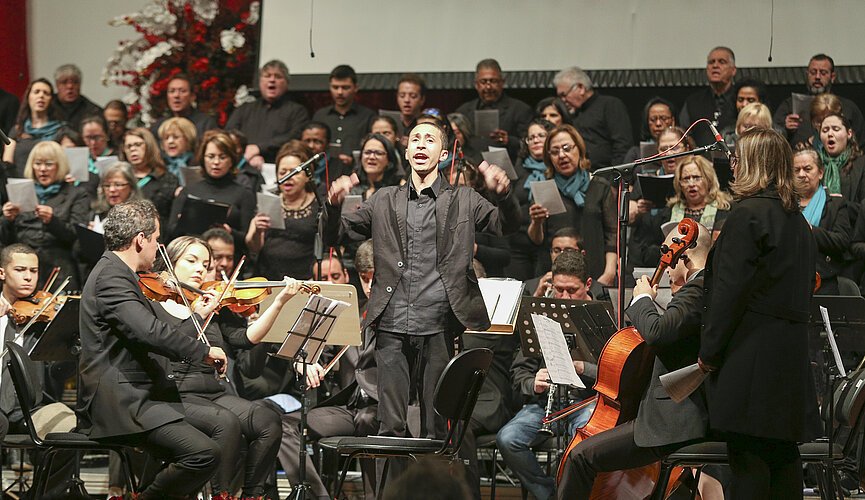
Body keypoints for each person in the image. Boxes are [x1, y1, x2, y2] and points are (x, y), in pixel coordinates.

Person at [321, 120, 519, 488]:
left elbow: (505, 225)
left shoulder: (463, 198)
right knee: (389, 427)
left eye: (430, 139)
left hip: (439, 323)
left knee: (436, 428)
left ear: (443, 154)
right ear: (407, 151)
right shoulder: (384, 198)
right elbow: (337, 234)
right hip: (392, 323)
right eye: (415, 139)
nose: (421, 144)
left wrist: (504, 193)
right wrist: (333, 206)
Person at [699, 127, 821, 498]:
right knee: (783, 462)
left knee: (750, 465)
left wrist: (709, 352)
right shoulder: (798, 221)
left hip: (750, 359)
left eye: (737, 159)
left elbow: (728, 295)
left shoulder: (747, 215)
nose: (732, 166)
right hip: (789, 358)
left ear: (753, 163)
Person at [76, 199, 227, 499]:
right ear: (140, 239)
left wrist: (196, 322)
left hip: (139, 395)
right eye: (157, 239)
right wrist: (204, 352)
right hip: (120, 402)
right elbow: (148, 331)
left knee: (211, 440)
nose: (159, 248)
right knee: (203, 453)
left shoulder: (119, 273)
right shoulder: (111, 276)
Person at [557, 223, 715, 499]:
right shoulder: (709, 287)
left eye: (668, 255)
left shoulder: (698, 287)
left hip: (671, 423)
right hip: (675, 416)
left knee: (580, 457)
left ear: (685, 254)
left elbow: (656, 333)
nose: (666, 267)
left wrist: (642, 299)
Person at [152, 235, 293, 498]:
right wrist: (199, 313)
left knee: (268, 420)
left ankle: (252, 494)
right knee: (226, 423)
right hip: (175, 394)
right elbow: (169, 344)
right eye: (191, 261)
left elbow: (246, 339)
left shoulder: (209, 302)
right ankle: (221, 494)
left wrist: (278, 304)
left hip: (213, 393)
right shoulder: (155, 305)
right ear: (170, 262)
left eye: (205, 265)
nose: (200, 269)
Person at [278, 241, 378, 500]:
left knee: (369, 421)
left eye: (375, 278)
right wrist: (305, 362)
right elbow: (313, 351)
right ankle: (317, 497)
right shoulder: (349, 316)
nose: (370, 286)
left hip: (386, 409)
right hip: (350, 409)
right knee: (284, 425)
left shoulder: (403, 319)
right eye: (365, 279)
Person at [497, 250, 597, 500]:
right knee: (508, 439)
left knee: (588, 442)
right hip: (546, 406)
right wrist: (534, 383)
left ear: (588, 284)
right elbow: (519, 372)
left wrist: (582, 368)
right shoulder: (539, 314)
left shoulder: (602, 317)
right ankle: (551, 495)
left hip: (586, 403)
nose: (564, 297)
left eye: (572, 290)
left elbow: (617, 372)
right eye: (559, 289)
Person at [527, 124, 617, 285]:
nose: (561, 155)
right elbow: (536, 240)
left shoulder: (600, 186)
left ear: (579, 149)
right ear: (549, 157)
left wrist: (609, 273)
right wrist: (536, 222)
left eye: (567, 148)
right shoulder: (545, 188)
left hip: (595, 273)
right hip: (555, 276)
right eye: (555, 152)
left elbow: (612, 235)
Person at [0, 141, 90, 290]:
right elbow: (5, 239)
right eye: (38, 164)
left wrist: (52, 221)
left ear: (60, 165)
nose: (42, 169)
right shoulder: (20, 191)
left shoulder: (76, 194)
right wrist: (7, 219)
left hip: (58, 267)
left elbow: (77, 235)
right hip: (22, 267)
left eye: (48, 164)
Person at [630, 155, 731, 268]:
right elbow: (645, 252)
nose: (691, 184)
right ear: (679, 184)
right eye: (686, 179)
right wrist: (664, 251)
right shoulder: (668, 212)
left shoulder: (724, 210)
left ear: (708, 180)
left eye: (697, 177)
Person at [246, 140, 320, 280]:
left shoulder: (319, 204)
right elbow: (253, 248)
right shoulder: (269, 200)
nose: (287, 177)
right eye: (282, 172)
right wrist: (257, 230)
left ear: (307, 176)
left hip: (304, 280)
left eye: (294, 172)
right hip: (267, 278)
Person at [168, 130, 254, 242]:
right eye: (211, 156)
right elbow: (170, 232)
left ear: (232, 160)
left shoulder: (244, 194)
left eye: (222, 157)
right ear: (203, 159)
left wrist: (228, 232)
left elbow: (248, 240)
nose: (216, 162)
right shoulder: (187, 192)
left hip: (227, 249)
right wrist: (182, 224)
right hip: (192, 248)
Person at [226, 60, 310, 167]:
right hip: (243, 165)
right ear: (260, 81)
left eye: (278, 76)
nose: (272, 80)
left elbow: (295, 137)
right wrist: (246, 154)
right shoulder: (244, 109)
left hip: (280, 168)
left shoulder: (297, 111)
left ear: (287, 83)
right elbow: (229, 134)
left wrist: (259, 149)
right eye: (267, 76)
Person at [773, 54, 865, 146]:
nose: (817, 77)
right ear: (807, 75)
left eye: (823, 73)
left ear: (832, 77)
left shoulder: (848, 107)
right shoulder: (789, 105)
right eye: (813, 72)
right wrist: (785, 128)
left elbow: (860, 143)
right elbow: (773, 137)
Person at [795, 148, 851, 295]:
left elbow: (842, 241)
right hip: (791, 280)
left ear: (820, 172)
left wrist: (811, 230)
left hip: (824, 280)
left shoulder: (835, 205)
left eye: (807, 169)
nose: (801, 174)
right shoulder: (786, 205)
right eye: (796, 170)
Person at [554, 66, 632, 169]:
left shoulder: (610, 105)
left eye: (564, 95)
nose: (563, 100)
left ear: (580, 88)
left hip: (607, 174)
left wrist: (614, 176)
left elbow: (622, 146)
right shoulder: (572, 115)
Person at [505, 118, 555, 281]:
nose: (535, 140)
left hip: (550, 245)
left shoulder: (559, 168)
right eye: (531, 137)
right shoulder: (519, 169)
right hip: (518, 244)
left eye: (541, 135)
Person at [455, 59, 533, 160]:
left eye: (493, 81)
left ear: (502, 82)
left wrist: (509, 140)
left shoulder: (520, 109)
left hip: (508, 165)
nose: (488, 87)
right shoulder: (463, 111)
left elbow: (530, 143)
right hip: (471, 165)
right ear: (476, 84)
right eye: (483, 82)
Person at [312, 64, 376, 166]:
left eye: (345, 87)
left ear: (356, 87)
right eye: (335, 87)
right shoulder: (320, 116)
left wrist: (354, 160)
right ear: (330, 87)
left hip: (357, 170)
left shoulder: (368, 116)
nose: (340, 92)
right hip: (324, 170)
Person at [679, 47, 738, 147]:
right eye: (711, 62)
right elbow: (684, 134)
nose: (715, 65)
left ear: (733, 70)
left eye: (722, 62)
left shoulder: (741, 100)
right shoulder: (693, 101)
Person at [3, 78, 64, 172]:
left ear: (51, 99)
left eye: (46, 93)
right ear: (28, 97)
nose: (41, 95)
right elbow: (6, 165)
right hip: (19, 180)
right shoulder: (17, 130)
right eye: (36, 92)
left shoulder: (61, 130)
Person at [120, 128, 179, 220]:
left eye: (138, 145)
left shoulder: (167, 179)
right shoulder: (119, 178)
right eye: (128, 146)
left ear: (149, 146)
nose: (133, 149)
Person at [815, 113, 865, 205]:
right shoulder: (814, 165)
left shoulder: (861, 164)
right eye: (825, 130)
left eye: (836, 129)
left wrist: (839, 204)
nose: (830, 134)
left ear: (849, 133)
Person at [150, 73, 218, 139]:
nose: (176, 95)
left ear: (192, 97)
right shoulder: (159, 126)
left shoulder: (205, 123)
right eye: (172, 91)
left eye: (182, 91)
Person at [623, 97, 677, 163]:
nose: (658, 123)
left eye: (663, 118)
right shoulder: (635, 153)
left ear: (672, 121)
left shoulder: (681, 151)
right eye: (653, 119)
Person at [351, 133, 404, 200]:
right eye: (367, 152)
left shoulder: (400, 190)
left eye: (379, 153)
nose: (371, 157)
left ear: (389, 160)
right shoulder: (352, 186)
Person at [54, 64, 102, 131]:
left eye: (75, 82)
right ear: (57, 85)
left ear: (80, 85)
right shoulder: (47, 107)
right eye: (64, 82)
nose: (70, 86)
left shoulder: (93, 111)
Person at [396, 73, 427, 138]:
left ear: (422, 99)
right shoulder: (390, 124)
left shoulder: (427, 125)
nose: (406, 100)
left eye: (413, 96)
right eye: (402, 96)